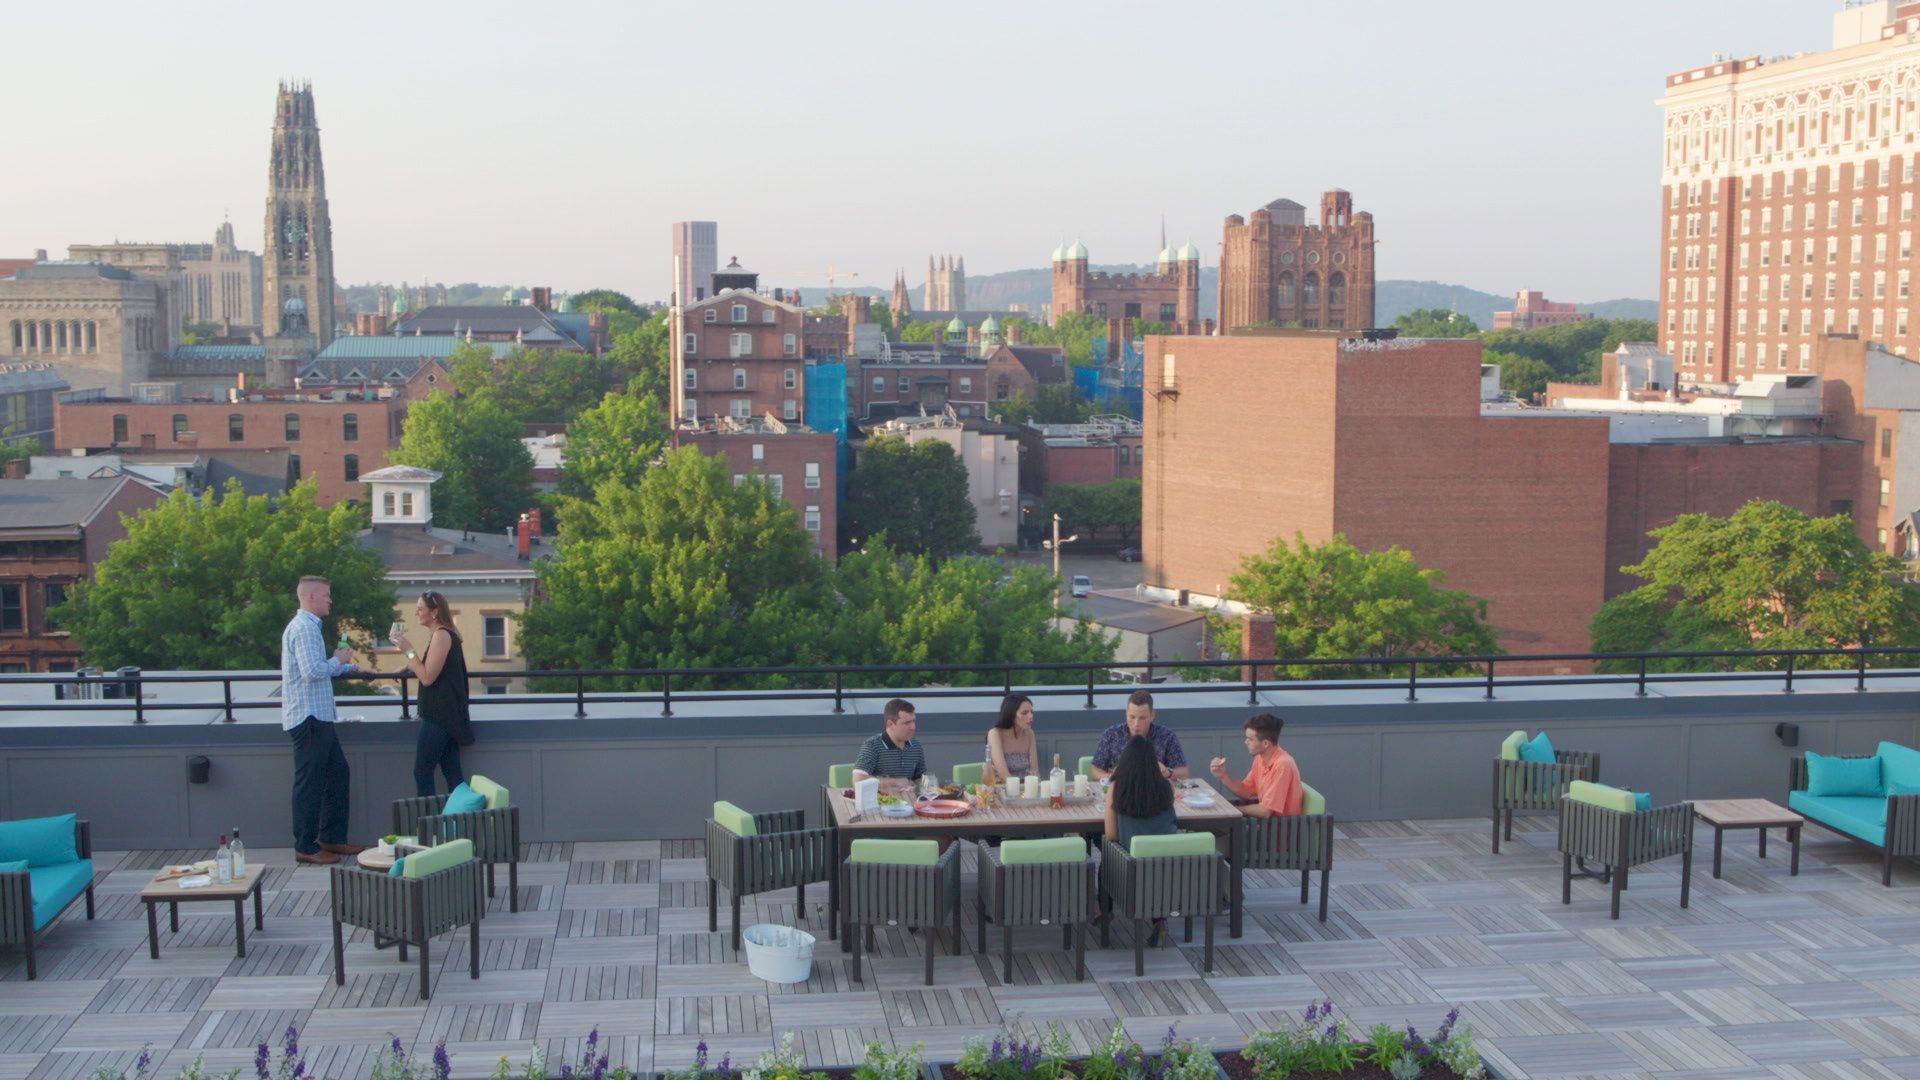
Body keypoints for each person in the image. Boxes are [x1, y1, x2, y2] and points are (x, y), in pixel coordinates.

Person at [281, 576, 370, 866]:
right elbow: (311, 671)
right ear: (310, 598)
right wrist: (338, 660)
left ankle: (331, 838)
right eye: (327, 595)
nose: (330, 600)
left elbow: (321, 670)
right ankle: (305, 845)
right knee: (309, 783)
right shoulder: (304, 629)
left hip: (319, 716)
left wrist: (351, 667)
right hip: (308, 718)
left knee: (337, 774)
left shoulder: (309, 628)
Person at [390, 591, 472, 798]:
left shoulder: (442, 635)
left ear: (434, 612)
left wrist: (408, 650)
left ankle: (428, 824)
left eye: (420, 609)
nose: (416, 613)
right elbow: (431, 666)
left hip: (440, 716)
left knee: (422, 771)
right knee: (452, 773)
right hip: (447, 715)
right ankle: (461, 822)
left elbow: (427, 677)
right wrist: (408, 665)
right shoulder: (443, 634)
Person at [1103, 734, 1179, 946]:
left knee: (1106, 856)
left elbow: (1111, 835)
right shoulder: (1166, 787)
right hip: (1169, 866)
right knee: (1153, 861)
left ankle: (1104, 913)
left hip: (1132, 868)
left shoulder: (1118, 787)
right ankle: (1159, 919)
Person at [1209, 713, 1303, 818]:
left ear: (1266, 744)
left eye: (1250, 739)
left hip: (1279, 830)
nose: (1246, 742)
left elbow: (1265, 811)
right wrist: (1223, 776)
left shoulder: (1283, 764)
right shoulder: (1260, 758)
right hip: (1264, 826)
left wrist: (1234, 810)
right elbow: (1246, 791)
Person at [1090, 690, 1188, 781]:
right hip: (1121, 791)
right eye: (1132, 717)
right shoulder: (1112, 735)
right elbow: (1095, 771)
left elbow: (1184, 772)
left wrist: (1167, 772)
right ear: (1126, 713)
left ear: (1152, 715)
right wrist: (1113, 777)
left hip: (1154, 791)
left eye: (1142, 718)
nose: (1136, 724)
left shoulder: (1167, 736)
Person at [853, 698, 925, 798]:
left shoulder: (916, 746)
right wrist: (895, 782)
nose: (913, 727)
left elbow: (921, 778)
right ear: (890, 724)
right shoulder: (872, 745)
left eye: (913, 721)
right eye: (907, 723)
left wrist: (918, 785)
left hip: (910, 804)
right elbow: (858, 780)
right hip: (879, 806)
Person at [984, 694, 1037, 784]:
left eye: (1031, 712)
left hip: (1026, 790)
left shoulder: (1029, 733)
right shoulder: (995, 734)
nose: (1030, 716)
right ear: (1011, 715)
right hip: (1001, 790)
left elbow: (1035, 772)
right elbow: (1004, 776)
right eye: (1024, 713)